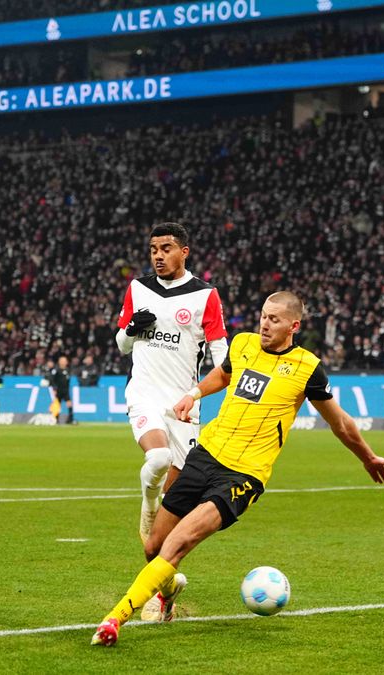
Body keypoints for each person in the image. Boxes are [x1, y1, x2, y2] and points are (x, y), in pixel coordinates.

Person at [91, 291, 384, 646]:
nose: (265, 324)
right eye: (263, 316)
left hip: (243, 476)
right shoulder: (243, 344)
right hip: (205, 455)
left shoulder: (306, 367)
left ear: (294, 326)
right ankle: (168, 594)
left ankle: (114, 619)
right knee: (153, 548)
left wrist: (366, 456)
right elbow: (223, 375)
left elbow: (339, 422)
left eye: (275, 319)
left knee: (177, 543)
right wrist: (194, 394)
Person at [115, 222, 229, 550]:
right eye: (153, 250)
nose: (158, 256)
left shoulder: (205, 295)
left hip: (183, 405)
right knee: (158, 457)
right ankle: (147, 505)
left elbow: (220, 351)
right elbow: (122, 344)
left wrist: (230, 370)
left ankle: (162, 591)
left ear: (184, 252)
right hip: (144, 393)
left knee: (175, 504)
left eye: (166, 249)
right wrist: (132, 328)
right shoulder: (139, 289)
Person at [46, 355, 74, 424]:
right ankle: (56, 419)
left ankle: (70, 418)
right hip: (58, 390)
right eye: (62, 361)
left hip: (65, 390)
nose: (63, 362)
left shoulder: (67, 370)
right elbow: (52, 380)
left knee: (69, 403)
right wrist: (54, 389)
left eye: (65, 361)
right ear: (59, 362)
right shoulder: (56, 370)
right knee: (57, 405)